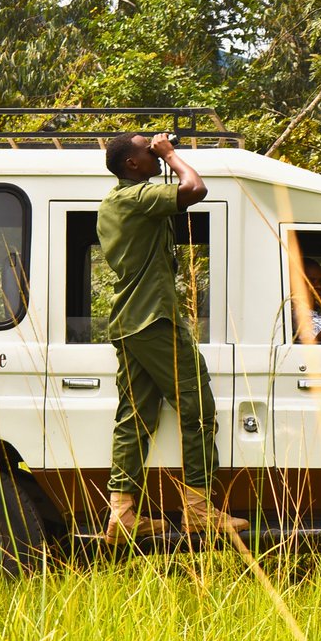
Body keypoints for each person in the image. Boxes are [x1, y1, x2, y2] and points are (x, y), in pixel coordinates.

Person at [98, 132, 249, 544]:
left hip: (131, 323)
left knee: (134, 418)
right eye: (148, 150)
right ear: (132, 164)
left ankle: (122, 515)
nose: (156, 153)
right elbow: (195, 188)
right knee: (198, 406)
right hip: (153, 320)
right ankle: (199, 510)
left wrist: (162, 154)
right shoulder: (134, 198)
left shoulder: (120, 202)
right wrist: (171, 153)